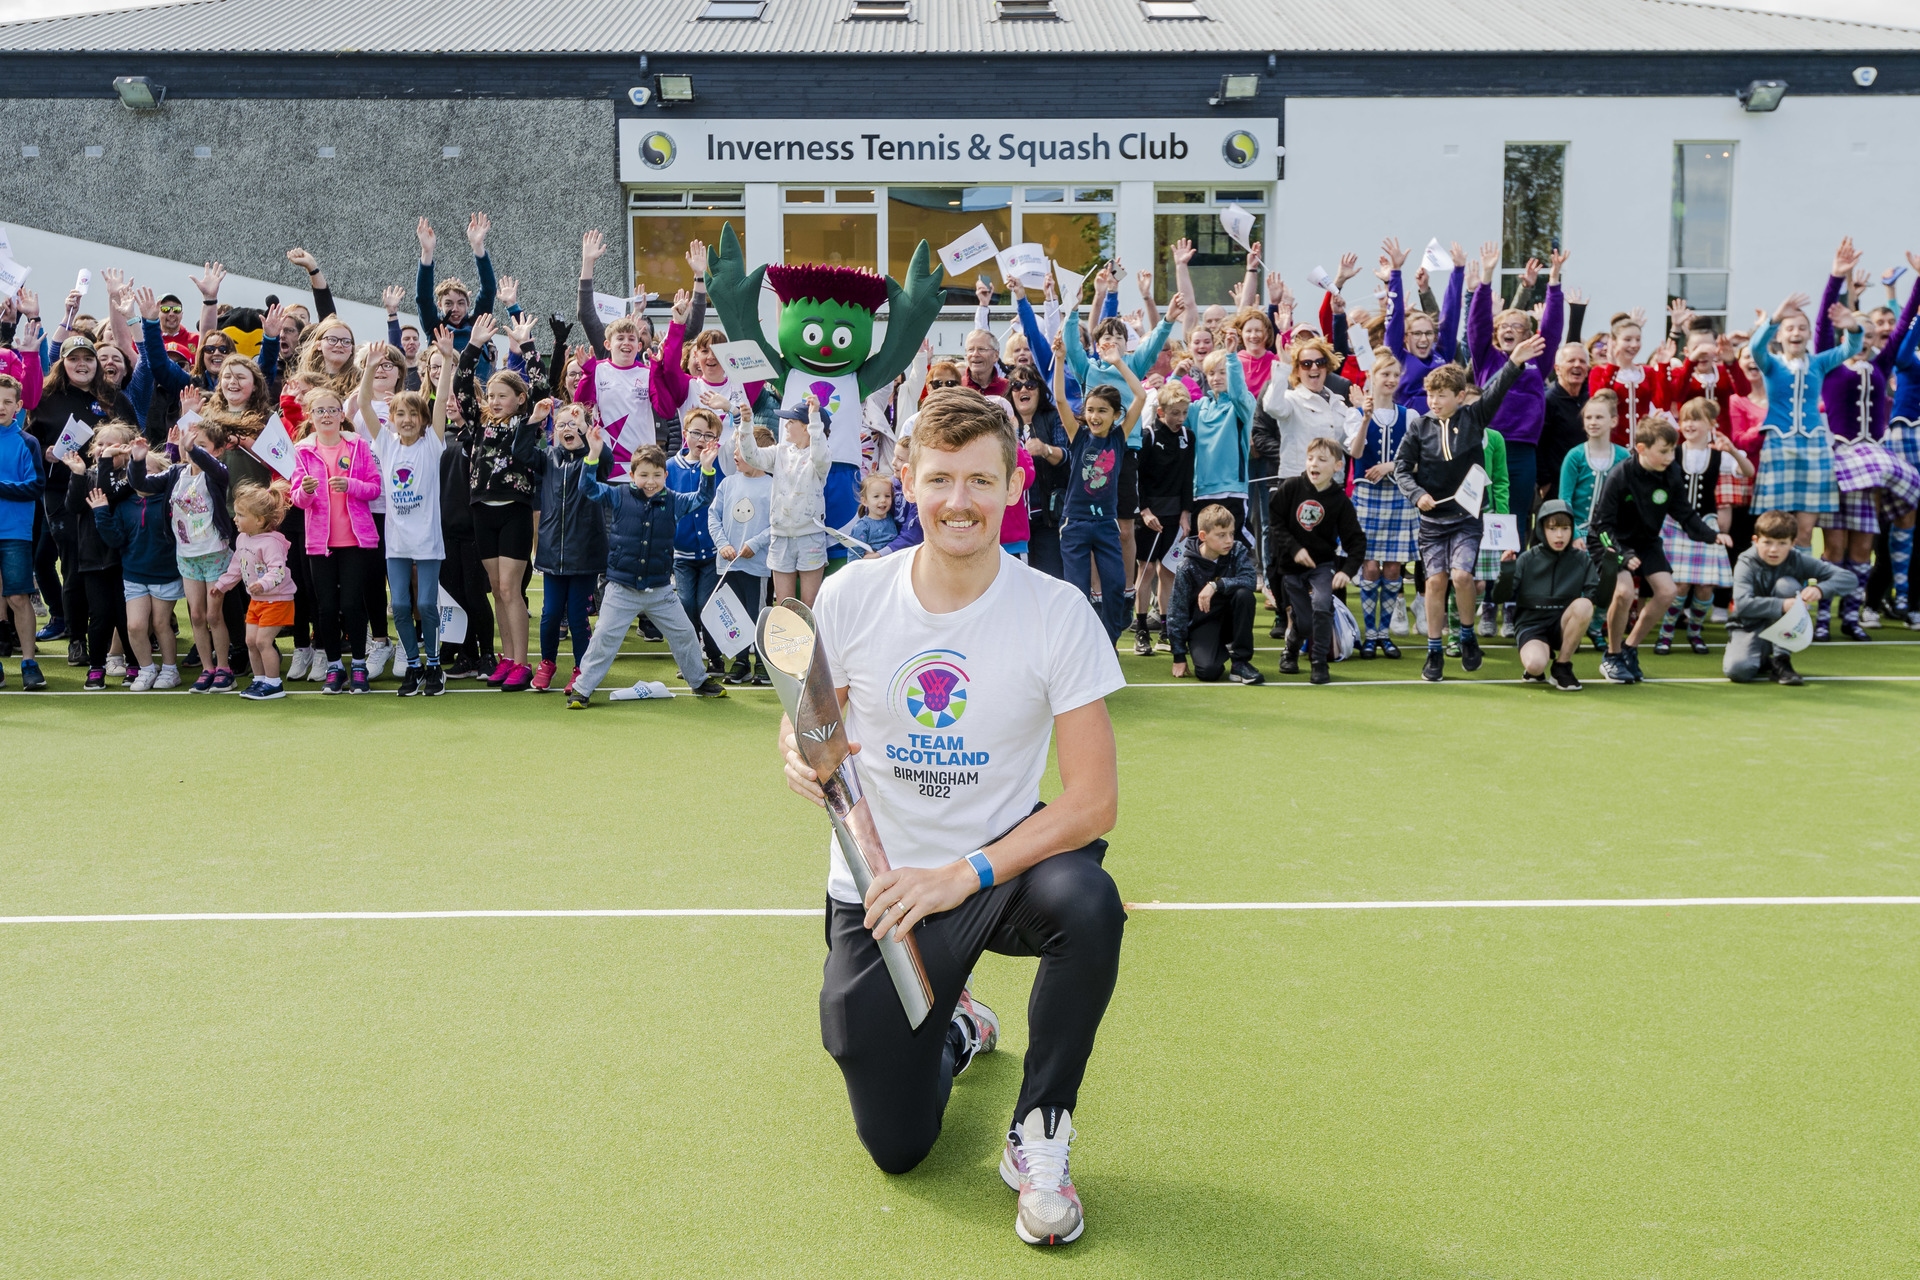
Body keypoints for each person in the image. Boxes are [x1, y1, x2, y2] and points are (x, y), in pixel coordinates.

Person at [778, 388, 1125, 1247]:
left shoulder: (1056, 610)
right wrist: (794, 745)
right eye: (940, 480)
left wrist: (963, 873)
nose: (959, 502)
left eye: (980, 480)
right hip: (884, 890)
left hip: (995, 873)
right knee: (899, 1148)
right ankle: (956, 1027)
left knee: (1090, 903)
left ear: (1013, 485)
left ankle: (1039, 1131)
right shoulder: (855, 594)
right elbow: (809, 717)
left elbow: (1092, 802)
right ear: (906, 478)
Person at [1394, 333, 1546, 681]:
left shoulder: (1474, 419)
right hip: (1432, 520)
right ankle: (1434, 651)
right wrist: (1417, 494)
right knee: (1435, 582)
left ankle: (1467, 634)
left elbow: (1495, 390)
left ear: (1460, 397)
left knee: (1462, 576)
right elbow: (1402, 467)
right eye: (1430, 394)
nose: (1433, 401)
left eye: (1441, 395)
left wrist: (1515, 361)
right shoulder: (1418, 427)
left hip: (1466, 519)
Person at [567, 437, 726, 707]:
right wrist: (592, 455)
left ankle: (698, 681)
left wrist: (707, 468)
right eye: (643, 475)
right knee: (604, 636)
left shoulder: (674, 501)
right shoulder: (617, 495)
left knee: (685, 634)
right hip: (621, 588)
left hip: (661, 590)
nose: (650, 481)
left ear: (666, 475)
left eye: (656, 475)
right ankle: (582, 689)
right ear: (631, 475)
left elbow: (703, 498)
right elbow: (588, 487)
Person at [1587, 416, 1734, 683]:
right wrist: (1624, 555)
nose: (1670, 456)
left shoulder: (1671, 472)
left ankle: (1630, 649)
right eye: (1664, 451)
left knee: (1667, 592)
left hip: (1646, 540)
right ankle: (1612, 655)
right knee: (1623, 592)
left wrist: (1713, 536)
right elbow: (1601, 526)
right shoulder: (1620, 475)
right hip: (1611, 542)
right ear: (1642, 449)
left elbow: (1684, 513)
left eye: (1671, 450)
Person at [1748, 251, 1865, 550]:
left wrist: (1852, 325)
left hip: (1813, 445)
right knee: (1774, 527)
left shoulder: (1819, 363)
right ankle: (1772, 590)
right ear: (1781, 336)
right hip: (1780, 445)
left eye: (1802, 328)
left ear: (1808, 335)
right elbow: (1756, 345)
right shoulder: (1771, 363)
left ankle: (1799, 593)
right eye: (1790, 328)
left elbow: (1851, 347)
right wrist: (1775, 318)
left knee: (1804, 531)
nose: (1796, 332)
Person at [361, 334, 449, 697]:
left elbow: (441, 399)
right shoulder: (385, 442)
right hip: (396, 541)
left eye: (414, 414)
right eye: (400, 414)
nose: (407, 420)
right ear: (392, 419)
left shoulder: (432, 443)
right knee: (398, 604)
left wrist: (447, 361)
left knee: (426, 603)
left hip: (427, 540)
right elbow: (365, 405)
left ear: (423, 419)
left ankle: (434, 665)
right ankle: (412, 665)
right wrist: (368, 368)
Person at [1051, 330, 1145, 643]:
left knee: (1115, 586)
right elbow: (1061, 399)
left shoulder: (1119, 438)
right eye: (1091, 410)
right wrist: (1061, 358)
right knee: (1077, 591)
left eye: (1102, 411)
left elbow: (1141, 397)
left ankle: (1108, 643)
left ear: (1116, 415)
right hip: (1076, 523)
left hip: (1106, 524)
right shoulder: (1078, 437)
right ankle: (1079, 646)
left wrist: (1118, 362)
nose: (1094, 416)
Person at [288, 383, 383, 693]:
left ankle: (358, 665)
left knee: (353, 604)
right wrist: (306, 491)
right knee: (325, 608)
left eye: (332, 409)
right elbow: (297, 499)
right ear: (310, 416)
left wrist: (351, 485)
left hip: (356, 541)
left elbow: (374, 488)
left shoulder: (358, 446)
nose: (326, 415)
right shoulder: (301, 451)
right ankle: (333, 667)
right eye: (320, 410)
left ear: (342, 415)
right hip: (320, 543)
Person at [127, 416, 233, 692]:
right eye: (191, 445)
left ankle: (223, 667)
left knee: (213, 615)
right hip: (186, 556)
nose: (193, 449)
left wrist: (194, 449)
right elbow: (143, 485)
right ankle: (207, 668)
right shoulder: (176, 473)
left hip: (214, 553)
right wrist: (137, 460)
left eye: (203, 445)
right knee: (196, 615)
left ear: (218, 450)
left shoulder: (217, 473)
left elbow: (213, 467)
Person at [1654, 398, 1750, 655]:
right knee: (1680, 584)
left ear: (1711, 424)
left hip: (1707, 524)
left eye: (1696, 419)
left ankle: (1695, 631)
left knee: (1706, 586)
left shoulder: (1719, 455)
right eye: (1685, 419)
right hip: (1675, 523)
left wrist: (1731, 451)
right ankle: (1667, 632)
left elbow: (1748, 471)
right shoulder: (1672, 451)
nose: (1689, 424)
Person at [1267, 436, 1365, 684]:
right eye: (1311, 458)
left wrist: (1347, 571)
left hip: (1322, 566)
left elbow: (1356, 540)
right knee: (1304, 621)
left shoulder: (1340, 501)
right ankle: (1290, 649)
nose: (1314, 464)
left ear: (1337, 466)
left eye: (1322, 459)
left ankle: (1319, 662)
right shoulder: (1290, 487)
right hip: (1289, 568)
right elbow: (1276, 521)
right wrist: (1294, 548)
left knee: (1322, 605)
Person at [1725, 509, 1858, 684]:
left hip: (1784, 625)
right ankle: (1763, 657)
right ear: (1756, 541)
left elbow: (1849, 578)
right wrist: (1783, 605)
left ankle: (1781, 660)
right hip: (1749, 625)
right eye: (1767, 542)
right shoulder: (1746, 562)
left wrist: (1819, 589)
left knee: (1787, 585)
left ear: (1793, 543)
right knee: (1739, 671)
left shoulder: (1796, 559)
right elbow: (1742, 605)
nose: (1774, 549)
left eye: (1782, 543)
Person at [530, 402, 609, 695]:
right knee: (550, 614)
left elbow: (608, 463)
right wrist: (535, 420)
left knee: (578, 615)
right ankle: (547, 663)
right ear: (553, 432)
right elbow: (521, 452)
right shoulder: (549, 458)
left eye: (575, 425)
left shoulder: (592, 458)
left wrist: (588, 432)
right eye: (562, 425)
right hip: (552, 553)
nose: (568, 429)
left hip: (584, 553)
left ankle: (581, 668)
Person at [1345, 355, 1414, 657]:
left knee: (1393, 568)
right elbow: (1356, 451)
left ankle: (1383, 633)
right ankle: (1370, 633)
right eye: (1385, 373)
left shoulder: (1409, 415)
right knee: (1370, 566)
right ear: (1373, 376)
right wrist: (1364, 419)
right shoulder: (1357, 413)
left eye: (1395, 374)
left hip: (1397, 494)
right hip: (1367, 496)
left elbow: (1416, 459)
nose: (1390, 379)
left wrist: (1389, 466)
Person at [736, 395, 833, 608]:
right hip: (779, 537)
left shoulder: (821, 457)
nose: (786, 425)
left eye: (792, 422)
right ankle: (787, 643)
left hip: (810, 537)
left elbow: (818, 453)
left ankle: (814, 643)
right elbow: (752, 457)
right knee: (784, 606)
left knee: (810, 606)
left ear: (807, 428)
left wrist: (814, 416)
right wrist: (745, 425)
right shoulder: (780, 451)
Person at [1491, 498, 1598, 691]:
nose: (1559, 535)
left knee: (1584, 605)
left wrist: (1608, 569)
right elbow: (1500, 598)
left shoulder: (1581, 559)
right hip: (1532, 625)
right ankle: (1533, 667)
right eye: (1552, 528)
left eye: (1565, 529)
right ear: (1541, 529)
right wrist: (1506, 571)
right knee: (1535, 665)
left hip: (1562, 625)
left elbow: (1600, 599)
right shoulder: (1526, 559)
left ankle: (1562, 666)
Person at [212, 485, 295, 701]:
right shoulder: (242, 539)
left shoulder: (271, 543)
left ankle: (274, 683)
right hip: (257, 601)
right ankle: (259, 679)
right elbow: (236, 567)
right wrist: (222, 585)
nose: (235, 519)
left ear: (259, 520)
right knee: (250, 641)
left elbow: (278, 571)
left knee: (263, 642)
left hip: (276, 600)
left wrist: (264, 584)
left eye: (241, 515)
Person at [1165, 501, 1260, 683]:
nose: (1229, 540)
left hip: (1232, 617)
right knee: (1208, 672)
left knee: (1244, 595)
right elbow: (1177, 612)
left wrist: (1216, 585)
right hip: (1205, 622)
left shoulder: (1237, 550)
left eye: (1231, 534)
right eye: (1221, 535)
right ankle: (1219, 651)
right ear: (1203, 536)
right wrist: (1179, 656)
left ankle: (1240, 663)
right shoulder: (1187, 567)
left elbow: (1250, 580)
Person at [1130, 381, 1192, 656]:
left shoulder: (1188, 437)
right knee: (1144, 572)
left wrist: (1186, 515)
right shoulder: (1148, 437)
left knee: (1168, 573)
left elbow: (1188, 479)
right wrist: (1144, 511)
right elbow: (1137, 478)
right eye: (1175, 413)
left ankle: (1166, 631)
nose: (1179, 419)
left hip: (1174, 517)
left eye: (1183, 413)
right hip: (1149, 517)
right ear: (1160, 412)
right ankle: (1141, 629)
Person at [709, 423, 775, 686]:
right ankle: (739, 661)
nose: (734, 454)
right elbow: (713, 517)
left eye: (740, 449)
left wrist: (756, 544)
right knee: (733, 614)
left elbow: (777, 523)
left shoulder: (772, 486)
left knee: (756, 613)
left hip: (756, 566)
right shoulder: (727, 484)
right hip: (729, 565)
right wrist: (723, 544)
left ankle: (761, 662)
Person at [0, 372, 46, 689]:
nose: (0, 406)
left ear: (18, 406)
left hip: (15, 533)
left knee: (18, 597)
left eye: (6, 401)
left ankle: (29, 662)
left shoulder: (27, 442)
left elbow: (35, 487)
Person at [845, 470, 900, 557]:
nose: (883, 500)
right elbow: (854, 552)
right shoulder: (862, 526)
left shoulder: (892, 518)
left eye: (887, 496)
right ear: (865, 501)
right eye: (876, 496)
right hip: (873, 568)